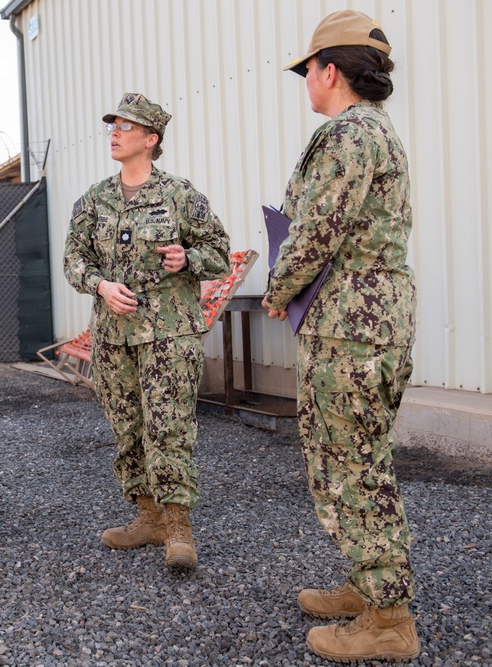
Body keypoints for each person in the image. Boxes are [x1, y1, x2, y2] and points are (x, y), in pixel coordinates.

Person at [262, 10, 419, 663]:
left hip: (352, 328)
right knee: (351, 455)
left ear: (331, 70)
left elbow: (312, 235)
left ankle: (388, 621)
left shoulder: (350, 136)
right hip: (359, 321)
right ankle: (367, 583)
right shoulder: (371, 133)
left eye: (309, 70)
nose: (306, 82)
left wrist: (276, 290)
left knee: (355, 465)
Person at [64, 93, 230, 570]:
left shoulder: (180, 195)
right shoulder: (95, 199)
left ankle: (179, 528)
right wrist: (100, 285)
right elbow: (73, 260)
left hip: (169, 336)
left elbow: (218, 252)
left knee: (169, 428)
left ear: (151, 139)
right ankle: (147, 516)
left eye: (125, 126)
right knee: (128, 428)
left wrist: (188, 258)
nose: (114, 132)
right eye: (112, 125)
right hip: (113, 336)